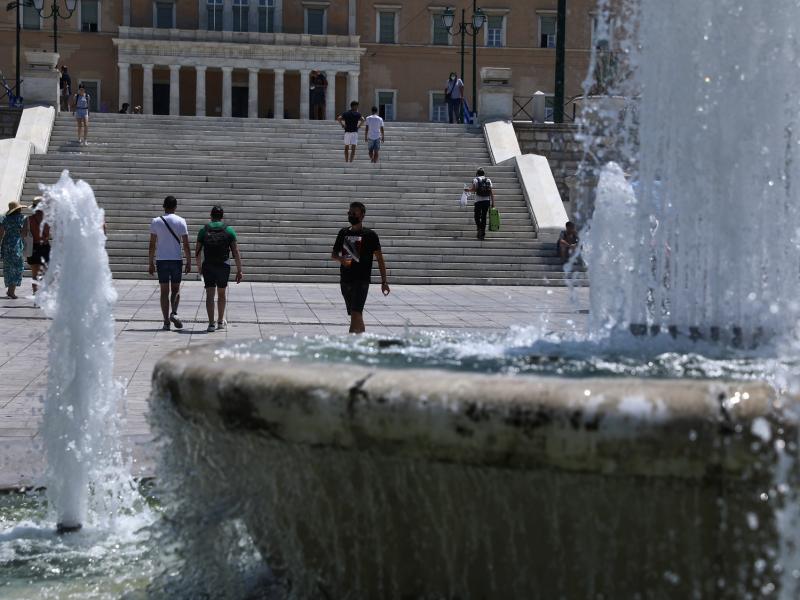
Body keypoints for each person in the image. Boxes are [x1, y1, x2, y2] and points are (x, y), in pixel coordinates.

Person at [331, 201, 390, 334]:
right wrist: (341, 259)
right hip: (346, 280)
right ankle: (361, 340)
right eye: (349, 213)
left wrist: (384, 282)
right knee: (355, 314)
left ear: (362, 216)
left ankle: (353, 343)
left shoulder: (370, 236)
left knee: (356, 312)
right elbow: (333, 254)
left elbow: (379, 259)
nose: (351, 216)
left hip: (362, 280)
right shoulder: (343, 233)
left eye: (354, 214)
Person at [195, 205, 243, 332]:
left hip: (208, 265)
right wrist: (239, 270)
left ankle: (211, 324)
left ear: (211, 215)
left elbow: (198, 251)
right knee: (221, 294)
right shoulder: (229, 230)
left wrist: (199, 268)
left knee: (210, 295)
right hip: (223, 265)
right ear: (222, 216)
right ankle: (220, 321)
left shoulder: (203, 230)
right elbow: (236, 252)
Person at [148, 195, 191, 331]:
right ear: (175, 207)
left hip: (161, 260)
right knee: (176, 289)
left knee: (163, 292)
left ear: (164, 206)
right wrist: (189, 261)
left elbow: (152, 244)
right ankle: (174, 313)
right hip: (176, 260)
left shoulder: (156, 221)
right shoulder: (181, 221)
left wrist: (150, 262)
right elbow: (186, 244)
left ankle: (166, 321)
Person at [0, 201, 27, 299]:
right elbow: (24, 234)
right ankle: (11, 291)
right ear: (19, 209)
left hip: (6, 244)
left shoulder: (4, 219)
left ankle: (10, 290)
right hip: (16, 244)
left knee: (8, 267)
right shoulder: (22, 218)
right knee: (18, 267)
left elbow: (1, 233)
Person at [24, 196, 50, 295]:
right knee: (45, 272)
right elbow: (49, 234)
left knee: (34, 273)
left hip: (33, 247)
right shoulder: (48, 220)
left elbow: (23, 234)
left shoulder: (28, 219)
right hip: (45, 247)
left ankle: (35, 292)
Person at [467, 168, 495, 240]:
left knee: (477, 216)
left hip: (478, 201)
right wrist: (493, 202)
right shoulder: (488, 180)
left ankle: (479, 228)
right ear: (484, 174)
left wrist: (467, 190)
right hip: (486, 201)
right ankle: (482, 233)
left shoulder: (475, 179)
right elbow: (491, 192)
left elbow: (474, 189)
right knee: (484, 217)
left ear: (477, 174)